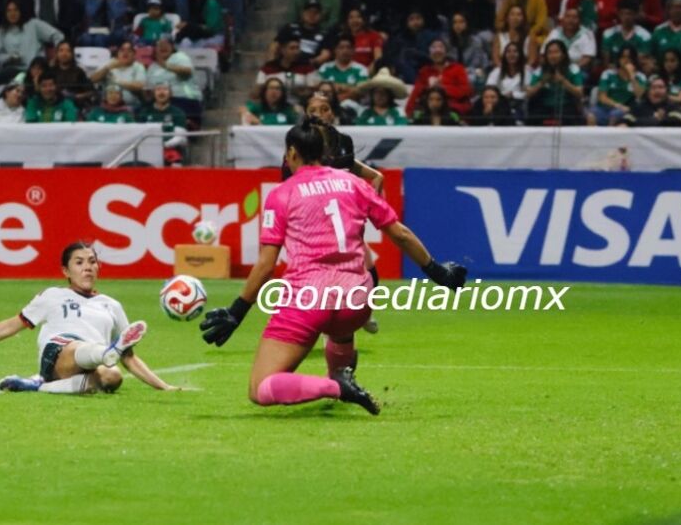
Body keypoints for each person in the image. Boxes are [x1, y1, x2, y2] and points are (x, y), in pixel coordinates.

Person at [199, 119, 468, 414]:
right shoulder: (354, 184)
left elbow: (266, 264)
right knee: (340, 330)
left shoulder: (282, 194)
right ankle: (343, 372)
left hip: (309, 299)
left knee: (260, 388)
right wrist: (438, 272)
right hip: (358, 302)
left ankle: (337, 387)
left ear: (291, 153)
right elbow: (400, 234)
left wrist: (236, 312)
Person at [0, 242, 181, 395]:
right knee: (88, 351)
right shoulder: (53, 295)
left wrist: (164, 386)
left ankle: (37, 386)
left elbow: (129, 358)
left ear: (99, 268)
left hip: (90, 367)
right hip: (58, 351)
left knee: (112, 378)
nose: (87, 267)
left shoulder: (111, 305)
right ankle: (103, 353)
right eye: (79, 262)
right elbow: (11, 325)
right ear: (65, 271)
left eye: (92, 262)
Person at [0, 0, 64, 84]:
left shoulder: (33, 24)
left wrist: (56, 57)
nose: (12, 14)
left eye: (16, 10)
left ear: (21, 11)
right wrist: (9, 58)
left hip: (35, 71)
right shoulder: (3, 30)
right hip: (12, 71)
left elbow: (58, 36)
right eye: (9, 11)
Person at [406, 38, 473, 116]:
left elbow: (466, 91)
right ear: (429, 53)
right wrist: (409, 111)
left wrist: (442, 88)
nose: (437, 51)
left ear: (446, 52)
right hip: (429, 110)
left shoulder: (458, 68)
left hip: (453, 110)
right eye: (433, 48)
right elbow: (416, 93)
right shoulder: (425, 71)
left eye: (441, 47)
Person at [526, 40, 585, 126]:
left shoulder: (573, 68)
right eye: (550, 53)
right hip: (544, 107)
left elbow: (580, 93)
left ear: (563, 54)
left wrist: (563, 81)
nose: (553, 56)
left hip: (566, 106)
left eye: (556, 52)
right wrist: (542, 82)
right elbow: (528, 94)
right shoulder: (540, 70)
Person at [592, 47, 647, 126]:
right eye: (623, 57)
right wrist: (617, 105)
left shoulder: (640, 77)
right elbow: (602, 97)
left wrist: (632, 77)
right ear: (618, 59)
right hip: (606, 107)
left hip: (627, 108)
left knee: (615, 115)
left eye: (629, 57)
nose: (626, 60)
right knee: (591, 116)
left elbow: (639, 95)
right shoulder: (608, 74)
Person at [138, 83, 188, 165]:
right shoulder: (144, 112)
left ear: (170, 93)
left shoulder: (178, 112)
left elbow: (180, 138)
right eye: (158, 90)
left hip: (171, 150)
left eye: (165, 89)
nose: (161, 92)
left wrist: (162, 145)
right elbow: (139, 135)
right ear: (154, 93)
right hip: (147, 150)